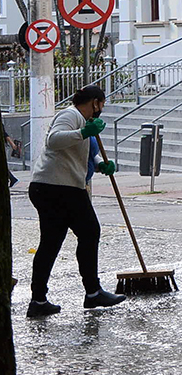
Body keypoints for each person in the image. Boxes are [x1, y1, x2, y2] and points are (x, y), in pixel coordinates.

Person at [26, 85, 126, 318]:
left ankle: (38, 300)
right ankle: (92, 293)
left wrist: (101, 164)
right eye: (101, 104)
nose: (101, 109)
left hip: (52, 187)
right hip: (59, 188)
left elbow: (89, 151)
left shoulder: (83, 121)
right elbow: (54, 141)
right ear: (94, 102)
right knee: (90, 231)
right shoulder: (70, 115)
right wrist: (83, 132)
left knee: (51, 243)